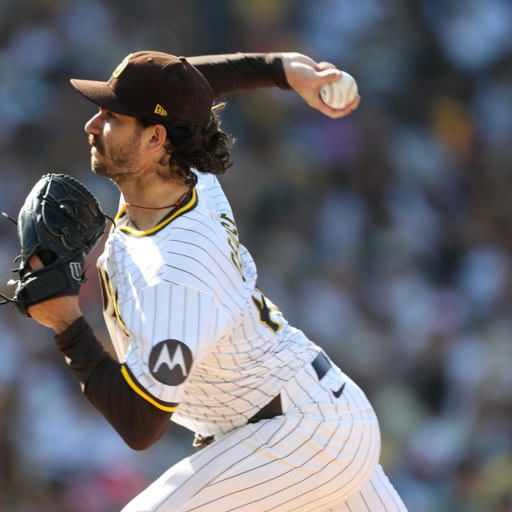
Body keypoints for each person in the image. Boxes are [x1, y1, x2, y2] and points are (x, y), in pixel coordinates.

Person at [24, 51, 407, 511]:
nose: (91, 124)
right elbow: (188, 86)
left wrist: (67, 324)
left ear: (154, 138)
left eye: (111, 115)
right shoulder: (186, 171)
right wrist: (282, 69)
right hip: (310, 418)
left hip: (300, 437)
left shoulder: (177, 271)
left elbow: (140, 424)